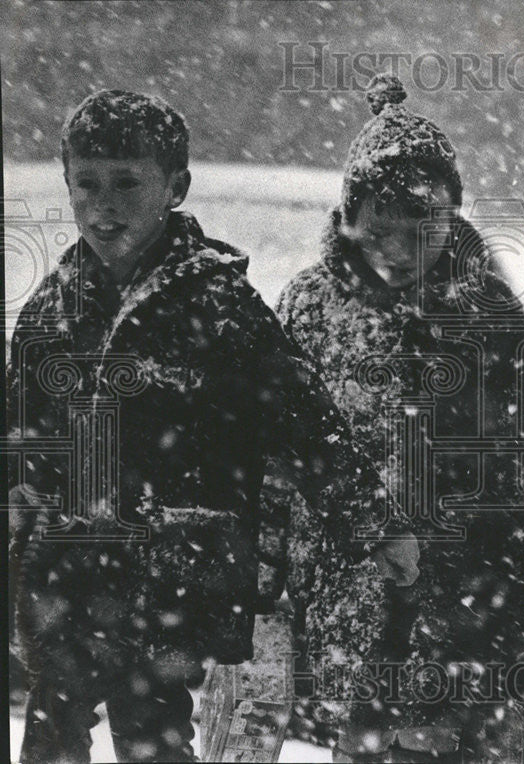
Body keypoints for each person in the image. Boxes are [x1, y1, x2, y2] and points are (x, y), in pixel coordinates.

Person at [6, 89, 383, 763]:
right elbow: (19, 443)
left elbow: (301, 416)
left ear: (176, 187)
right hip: (70, 573)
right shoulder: (52, 311)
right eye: (85, 184)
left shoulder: (216, 303)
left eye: (127, 183)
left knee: (154, 731)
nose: (104, 204)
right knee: (49, 733)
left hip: (173, 571)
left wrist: (371, 522)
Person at [266, 73, 524, 762]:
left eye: (419, 231)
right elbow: (272, 460)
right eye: (380, 230)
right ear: (350, 219)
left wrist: (515, 604)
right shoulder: (310, 310)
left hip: (467, 612)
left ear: (451, 218)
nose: (397, 250)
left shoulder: (486, 315)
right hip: (349, 615)